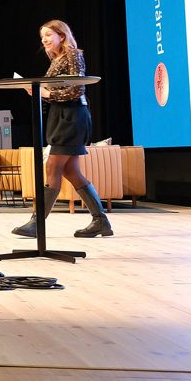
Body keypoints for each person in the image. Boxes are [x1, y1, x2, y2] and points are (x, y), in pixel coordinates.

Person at [12, 19, 113, 239]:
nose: (44, 40)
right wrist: (38, 92)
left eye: (48, 35)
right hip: (62, 117)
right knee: (71, 171)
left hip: (72, 117)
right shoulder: (57, 60)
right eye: (42, 37)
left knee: (52, 168)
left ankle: (36, 223)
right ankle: (101, 221)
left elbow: (77, 91)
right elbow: (56, 92)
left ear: (62, 35)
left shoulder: (73, 55)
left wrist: (47, 94)